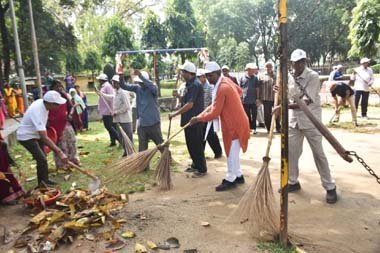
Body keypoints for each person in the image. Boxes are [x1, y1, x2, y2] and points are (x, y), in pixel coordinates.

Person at [275, 49, 337, 204]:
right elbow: (289, 95)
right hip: (294, 121)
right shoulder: (289, 76)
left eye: (302, 61)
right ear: (292, 63)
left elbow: (305, 102)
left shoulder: (313, 77)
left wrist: (283, 107)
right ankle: (293, 182)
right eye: (296, 62)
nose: (299, 64)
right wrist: (280, 91)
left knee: (319, 154)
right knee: (292, 152)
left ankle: (330, 186)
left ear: (305, 61)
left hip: (311, 121)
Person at [189, 62, 250, 191]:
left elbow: (215, 113)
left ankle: (230, 178)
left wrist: (198, 118)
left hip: (234, 125)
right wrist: (221, 103)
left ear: (217, 74)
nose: (208, 79)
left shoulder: (222, 88)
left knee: (231, 153)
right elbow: (239, 91)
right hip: (239, 121)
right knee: (233, 152)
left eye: (210, 76)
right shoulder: (226, 81)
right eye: (207, 76)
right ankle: (238, 175)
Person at [17, 90, 68, 186]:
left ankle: (44, 181)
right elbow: (44, 137)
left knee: (43, 157)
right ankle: (42, 184)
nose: (59, 106)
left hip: (35, 133)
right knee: (41, 159)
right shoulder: (38, 110)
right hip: (26, 137)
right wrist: (60, 152)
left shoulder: (43, 104)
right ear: (50, 103)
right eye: (57, 104)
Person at [169, 61, 207, 178]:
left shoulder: (195, 84)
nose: (181, 74)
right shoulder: (188, 84)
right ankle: (195, 165)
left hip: (194, 120)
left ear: (189, 73)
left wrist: (175, 113)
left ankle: (202, 169)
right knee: (191, 144)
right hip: (188, 120)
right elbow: (186, 100)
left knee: (196, 145)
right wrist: (179, 97)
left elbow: (190, 104)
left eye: (183, 72)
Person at [120, 70, 163, 156]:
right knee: (142, 148)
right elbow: (124, 86)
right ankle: (143, 165)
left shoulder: (152, 89)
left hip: (153, 123)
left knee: (160, 144)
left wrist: (141, 76)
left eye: (142, 82)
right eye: (139, 82)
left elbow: (153, 86)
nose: (140, 84)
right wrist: (121, 75)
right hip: (142, 124)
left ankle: (167, 157)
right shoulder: (137, 88)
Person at [49, 81, 80, 170]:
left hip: (66, 123)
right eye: (56, 86)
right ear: (52, 88)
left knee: (71, 142)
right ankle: (62, 164)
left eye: (60, 86)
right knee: (61, 145)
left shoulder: (64, 96)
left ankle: (73, 160)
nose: (59, 88)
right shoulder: (49, 98)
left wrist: (70, 115)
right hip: (56, 126)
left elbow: (71, 108)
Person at [100, 75, 133, 157]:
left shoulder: (123, 92)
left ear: (118, 83)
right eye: (112, 82)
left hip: (125, 119)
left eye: (114, 82)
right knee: (121, 137)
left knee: (127, 137)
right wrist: (102, 94)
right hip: (118, 119)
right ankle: (126, 152)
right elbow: (111, 98)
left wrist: (116, 112)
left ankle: (130, 152)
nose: (113, 84)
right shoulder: (115, 92)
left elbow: (127, 106)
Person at [197, 68, 222, 159]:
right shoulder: (198, 87)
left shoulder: (210, 88)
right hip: (201, 115)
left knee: (211, 134)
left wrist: (207, 110)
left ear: (204, 77)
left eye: (198, 77)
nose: (197, 79)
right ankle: (200, 154)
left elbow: (213, 101)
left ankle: (218, 152)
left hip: (208, 115)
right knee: (201, 134)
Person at [0, 133, 24, 204]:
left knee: (9, 175)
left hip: (4, 167)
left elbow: (7, 158)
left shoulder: (3, 145)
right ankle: (6, 199)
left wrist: (16, 166)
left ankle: (18, 193)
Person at [97, 73, 120, 146]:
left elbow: (112, 97)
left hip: (108, 110)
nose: (98, 81)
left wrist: (103, 95)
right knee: (110, 127)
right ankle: (113, 141)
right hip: (104, 110)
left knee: (109, 127)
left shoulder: (107, 86)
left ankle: (119, 140)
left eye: (99, 80)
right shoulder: (104, 86)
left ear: (102, 80)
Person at [259, 62, 280, 133]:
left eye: (270, 67)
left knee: (277, 113)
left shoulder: (276, 75)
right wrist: (259, 98)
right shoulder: (261, 76)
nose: (269, 68)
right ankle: (268, 128)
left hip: (275, 97)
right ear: (265, 68)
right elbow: (259, 87)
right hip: (266, 98)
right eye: (267, 67)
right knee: (267, 115)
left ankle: (278, 127)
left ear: (272, 67)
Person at [239, 63, 261, 134]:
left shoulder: (255, 78)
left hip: (253, 99)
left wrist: (257, 98)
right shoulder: (242, 78)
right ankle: (249, 128)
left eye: (253, 70)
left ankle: (254, 128)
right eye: (251, 70)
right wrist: (240, 98)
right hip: (245, 100)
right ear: (248, 70)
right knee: (247, 115)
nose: (253, 71)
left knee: (254, 114)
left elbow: (257, 88)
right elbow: (240, 88)